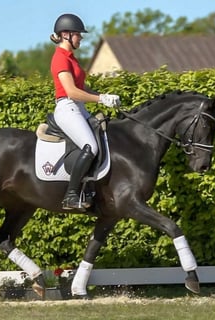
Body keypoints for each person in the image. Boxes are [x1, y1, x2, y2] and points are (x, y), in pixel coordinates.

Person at [50, 13, 120, 211]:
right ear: (66, 35)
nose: (80, 38)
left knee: (102, 139)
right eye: (78, 34)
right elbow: (71, 91)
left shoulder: (72, 59)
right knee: (90, 146)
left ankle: (90, 189)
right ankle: (71, 195)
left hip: (78, 108)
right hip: (67, 108)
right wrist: (100, 99)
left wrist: (104, 96)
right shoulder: (60, 59)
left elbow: (83, 88)